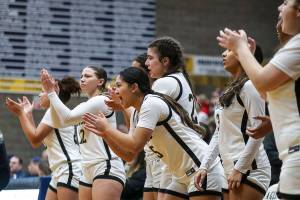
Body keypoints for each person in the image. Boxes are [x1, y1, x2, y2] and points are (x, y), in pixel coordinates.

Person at [82, 67, 226, 200]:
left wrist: (107, 129)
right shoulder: (136, 113)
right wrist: (105, 134)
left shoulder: (151, 104)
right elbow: (129, 155)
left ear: (134, 87)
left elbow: (134, 145)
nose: (115, 91)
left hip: (201, 166)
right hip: (180, 174)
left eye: (119, 86)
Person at [217, 0, 300, 198]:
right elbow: (268, 92)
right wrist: (274, 122)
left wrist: (240, 48)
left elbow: (262, 83)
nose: (279, 8)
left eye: (286, 3)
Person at [195, 46, 271, 200]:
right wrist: (204, 165)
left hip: (251, 168)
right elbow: (219, 132)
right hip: (230, 166)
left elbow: (259, 132)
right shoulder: (232, 88)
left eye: (229, 50)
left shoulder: (250, 86)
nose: (223, 54)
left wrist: (240, 168)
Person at [40, 66, 126, 200]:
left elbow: (67, 117)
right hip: (87, 167)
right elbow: (60, 122)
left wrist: (51, 93)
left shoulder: (101, 100)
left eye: (87, 76)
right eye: (81, 76)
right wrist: (53, 97)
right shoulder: (85, 105)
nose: (82, 79)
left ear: (100, 81)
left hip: (105, 164)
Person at [6, 76, 82, 200]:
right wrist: (28, 114)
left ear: (53, 93)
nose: (40, 94)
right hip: (61, 170)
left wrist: (20, 114)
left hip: (69, 169)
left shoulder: (54, 112)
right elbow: (37, 137)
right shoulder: (57, 111)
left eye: (43, 91)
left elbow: (34, 140)